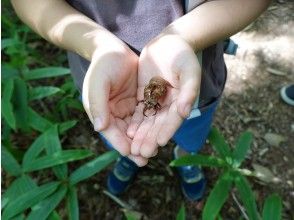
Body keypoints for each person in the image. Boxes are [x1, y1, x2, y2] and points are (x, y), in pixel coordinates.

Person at [11, 0, 271, 201]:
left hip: (196, 86)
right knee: (120, 130)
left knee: (192, 133)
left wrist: (182, 38)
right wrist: (96, 45)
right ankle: (128, 156)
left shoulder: (158, 93)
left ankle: (187, 156)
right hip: (110, 86)